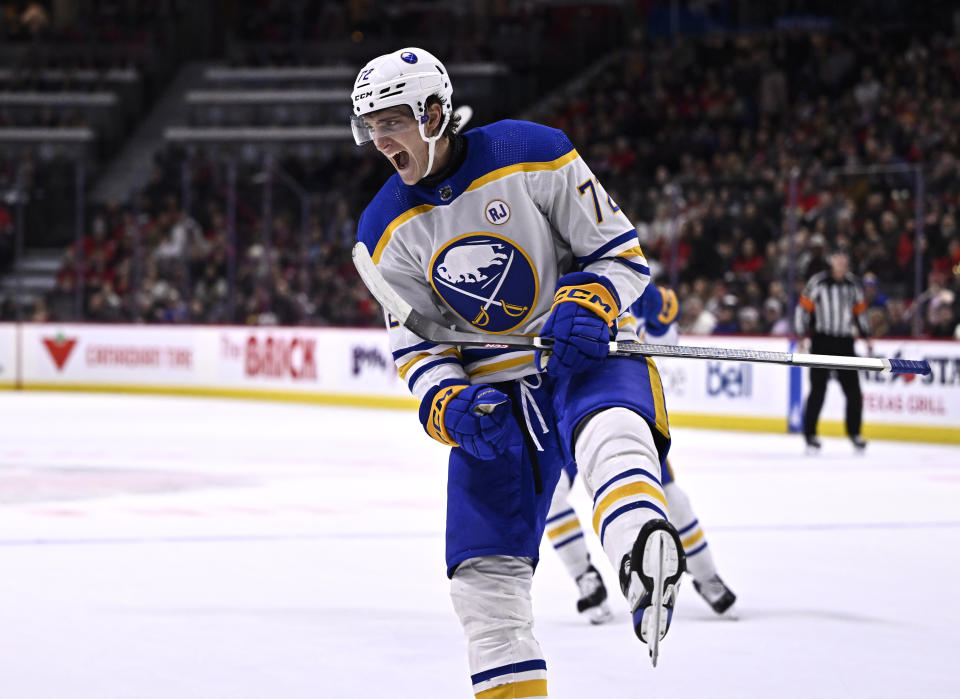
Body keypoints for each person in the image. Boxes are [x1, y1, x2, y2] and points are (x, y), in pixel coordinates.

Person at [352, 48, 685, 695]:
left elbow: (620, 254)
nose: (380, 138)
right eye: (371, 125)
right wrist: (447, 402)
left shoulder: (534, 152)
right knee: (482, 583)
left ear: (434, 111)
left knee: (611, 435)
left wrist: (591, 297)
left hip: (583, 350)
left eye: (392, 119)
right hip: (493, 394)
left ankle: (644, 551)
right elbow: (416, 344)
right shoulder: (382, 229)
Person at [545, 283, 736, 623]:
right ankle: (585, 578)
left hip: (616, 406)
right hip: (564, 415)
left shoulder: (619, 281)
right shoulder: (540, 280)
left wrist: (661, 319)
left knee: (674, 501)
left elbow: (663, 345)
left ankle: (707, 577)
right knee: (551, 498)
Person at [795, 249, 872, 451]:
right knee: (818, 389)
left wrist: (867, 336)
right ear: (831, 261)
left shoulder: (853, 284)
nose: (842, 262)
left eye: (845, 259)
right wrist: (801, 335)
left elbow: (860, 312)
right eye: (838, 258)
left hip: (845, 341)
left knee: (853, 391)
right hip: (822, 341)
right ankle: (810, 434)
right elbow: (803, 308)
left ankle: (855, 433)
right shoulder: (818, 282)